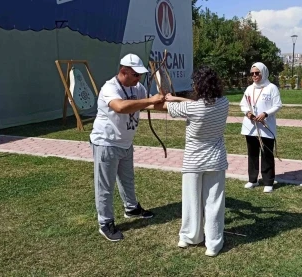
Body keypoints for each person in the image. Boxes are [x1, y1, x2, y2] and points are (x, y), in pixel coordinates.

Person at [150, 65, 229, 257]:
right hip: (216, 160)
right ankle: (213, 243)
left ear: (199, 86)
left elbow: (164, 107)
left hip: (193, 162)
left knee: (191, 201)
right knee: (214, 203)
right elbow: (201, 103)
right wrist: (174, 97)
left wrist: (161, 98)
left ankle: (190, 236)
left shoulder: (191, 108)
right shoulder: (224, 103)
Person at [90, 53, 165, 242]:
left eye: (140, 75)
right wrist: (150, 100)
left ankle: (131, 208)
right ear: (123, 71)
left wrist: (166, 100)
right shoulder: (110, 87)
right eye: (135, 75)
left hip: (125, 142)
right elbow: (120, 107)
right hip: (106, 142)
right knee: (105, 186)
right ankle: (105, 222)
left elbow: (151, 105)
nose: (139, 78)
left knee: (127, 179)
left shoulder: (137, 87)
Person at [239, 62, 282, 193]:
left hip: (266, 126)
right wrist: (248, 113)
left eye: (257, 73)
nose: (254, 76)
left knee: (266, 154)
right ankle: (253, 179)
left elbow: (278, 105)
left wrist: (265, 113)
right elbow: (243, 104)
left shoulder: (271, 88)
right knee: (252, 154)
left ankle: (268, 181)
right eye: (252, 73)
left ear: (263, 73)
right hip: (251, 127)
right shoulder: (249, 89)